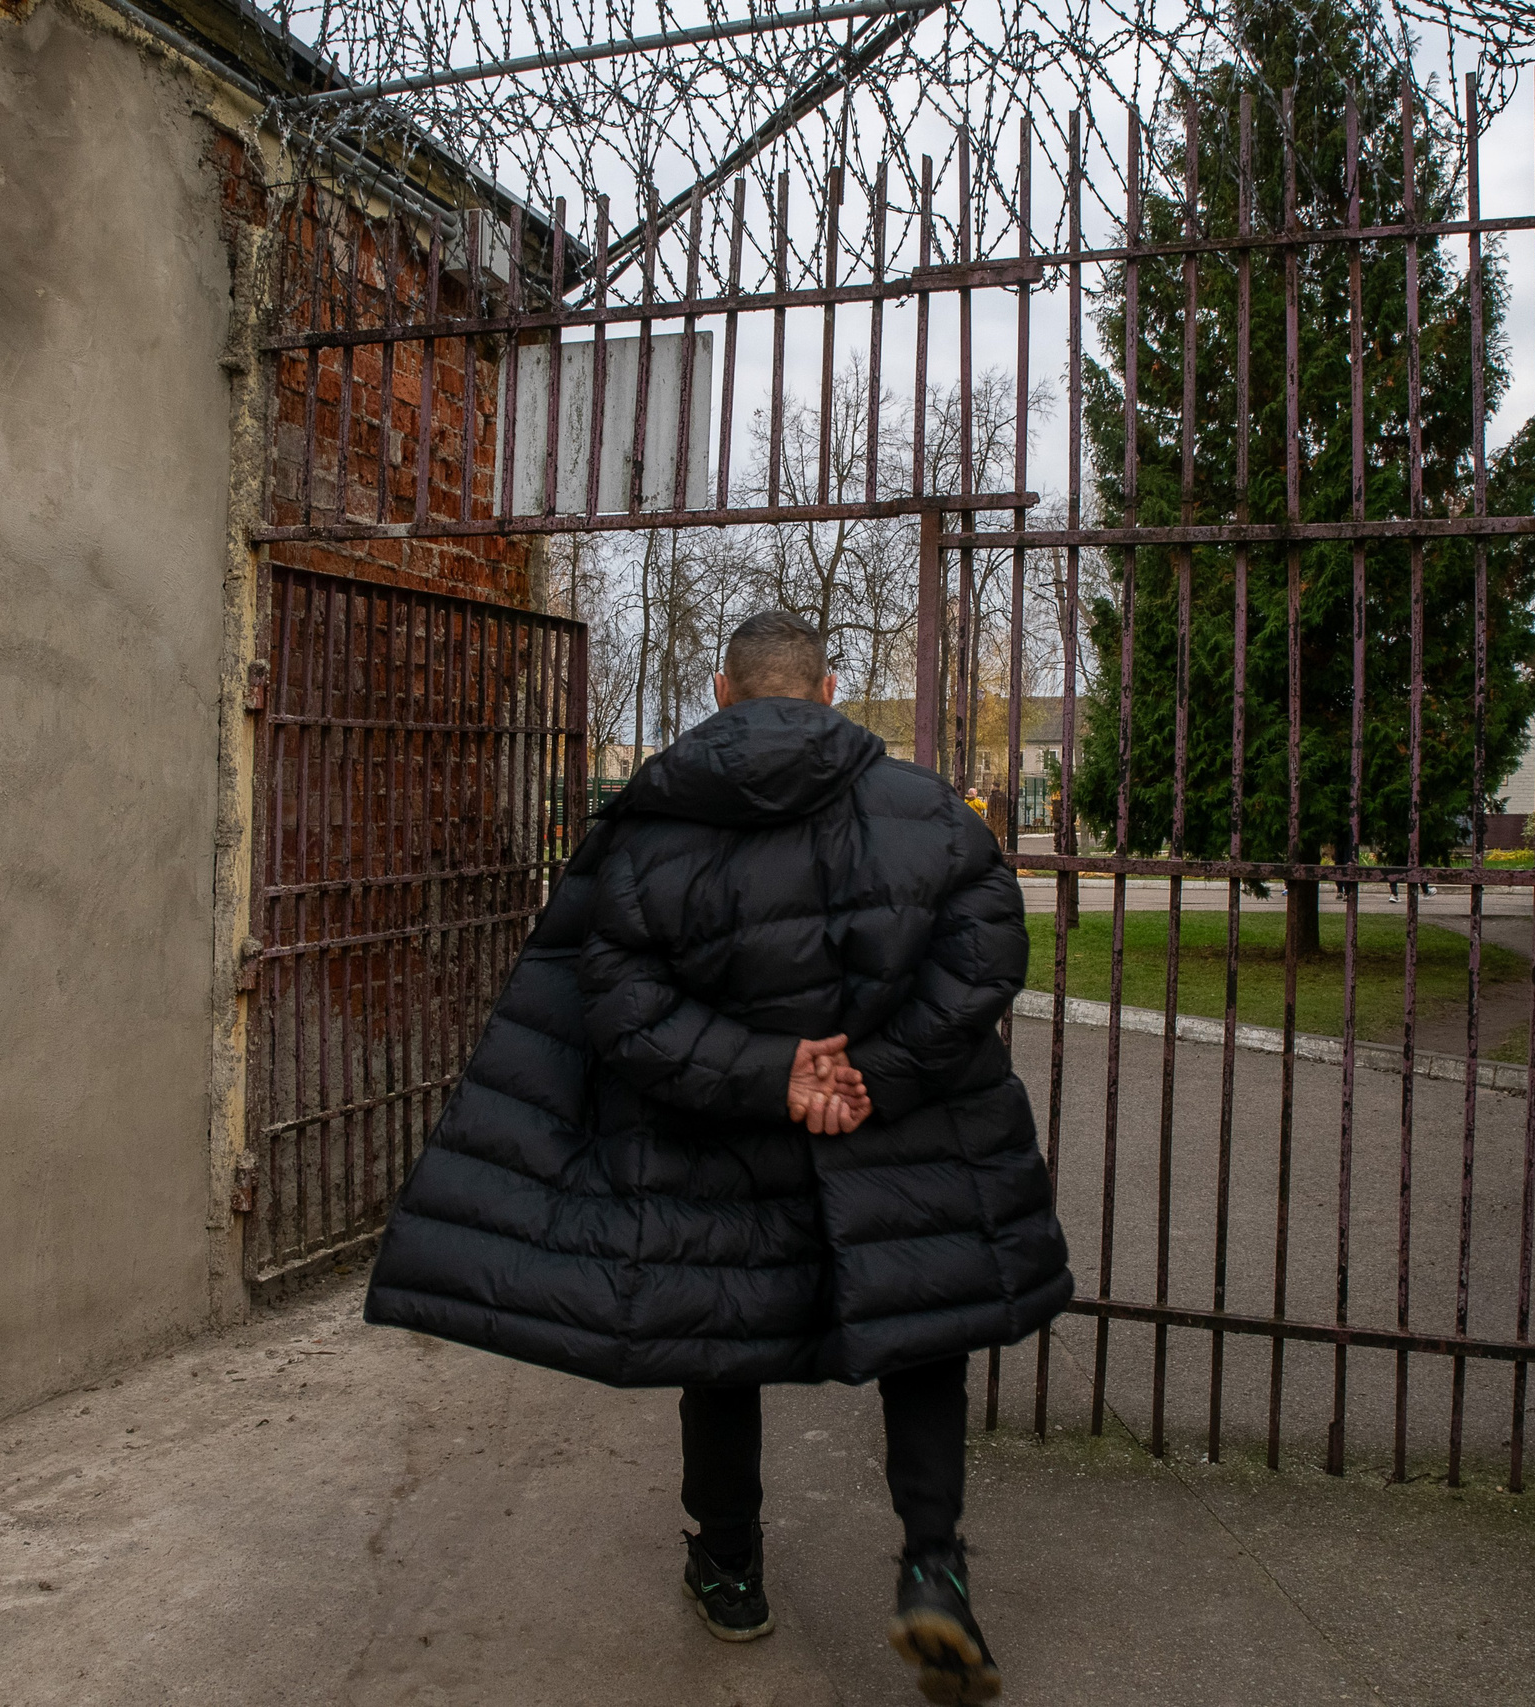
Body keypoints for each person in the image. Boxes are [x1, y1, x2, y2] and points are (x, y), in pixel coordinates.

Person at [365, 609, 1072, 1704]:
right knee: (923, 1335)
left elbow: (620, 1007)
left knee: (721, 1339)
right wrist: (871, 1074)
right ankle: (933, 1570)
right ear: (828, 688)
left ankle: (732, 1571)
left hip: (719, 1132)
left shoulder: (653, 824)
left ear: (721, 690)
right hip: (907, 1126)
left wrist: (771, 1073)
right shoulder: (928, 809)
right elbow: (985, 963)